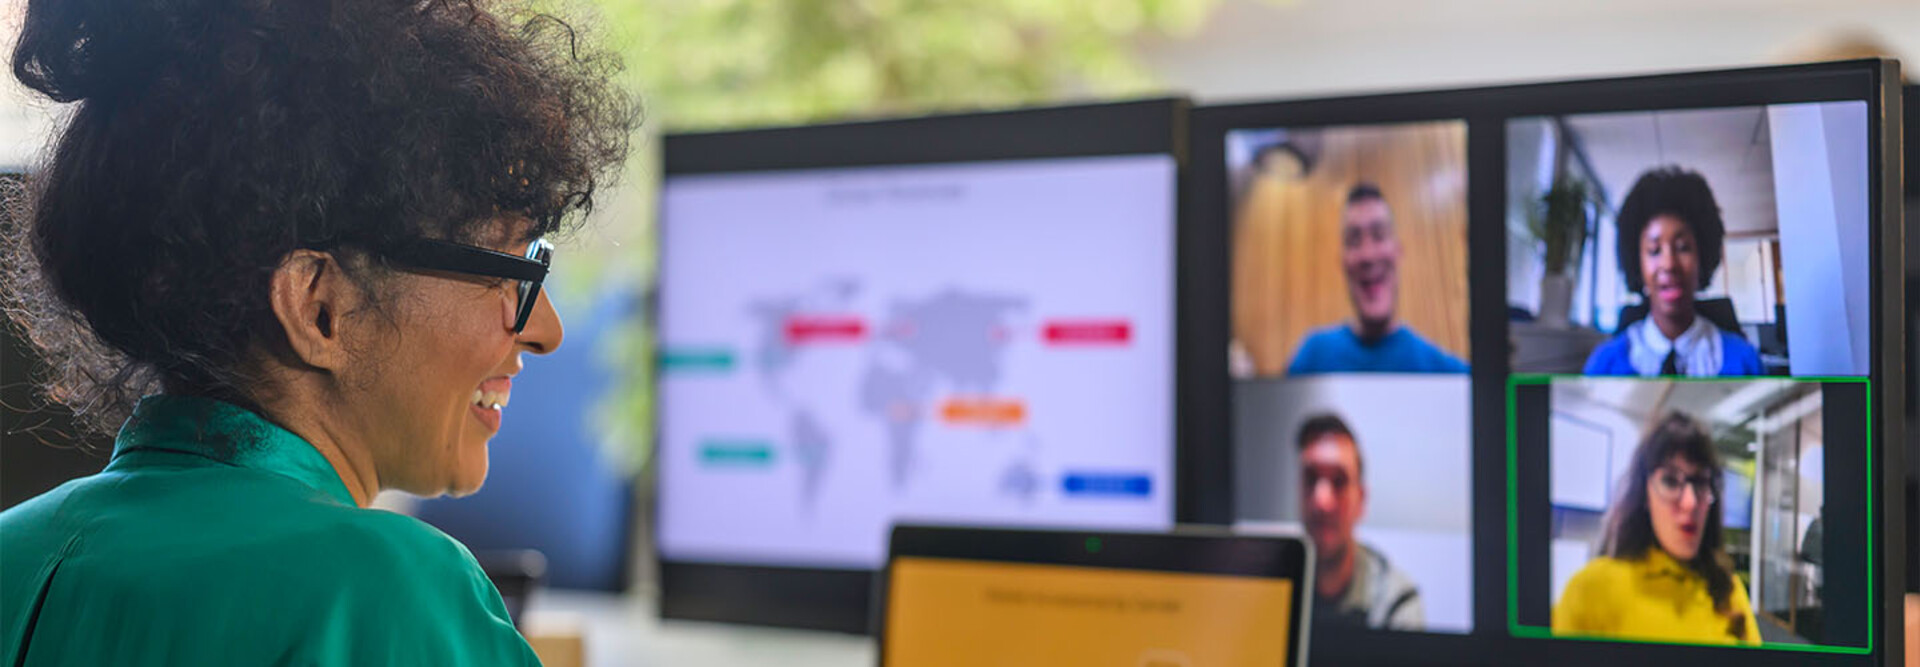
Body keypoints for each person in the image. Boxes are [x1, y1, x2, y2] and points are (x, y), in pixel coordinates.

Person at [0, 0, 633, 663]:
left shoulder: (14, 556)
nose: (547, 330)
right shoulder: (392, 594)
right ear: (319, 306)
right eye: (508, 272)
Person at [1554, 412, 1760, 645]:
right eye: (1671, 481)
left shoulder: (1729, 590)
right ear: (1644, 493)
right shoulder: (1589, 590)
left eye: (1701, 482)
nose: (1690, 502)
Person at [1582, 167, 1763, 377]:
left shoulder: (1745, 360)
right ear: (1636, 262)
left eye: (1683, 247)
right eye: (1654, 250)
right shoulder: (1604, 364)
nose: (1669, 264)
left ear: (1701, 257)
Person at [1286, 184, 1468, 375]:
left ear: (1398, 251)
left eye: (1379, 236)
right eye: (1354, 240)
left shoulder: (1442, 371)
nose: (1368, 255)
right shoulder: (1313, 357)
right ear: (1343, 262)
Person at [1296, 413, 1425, 631]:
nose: (1322, 501)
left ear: (1362, 500)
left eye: (1339, 481)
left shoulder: (1397, 602)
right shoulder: (1271, 591)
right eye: (1311, 478)